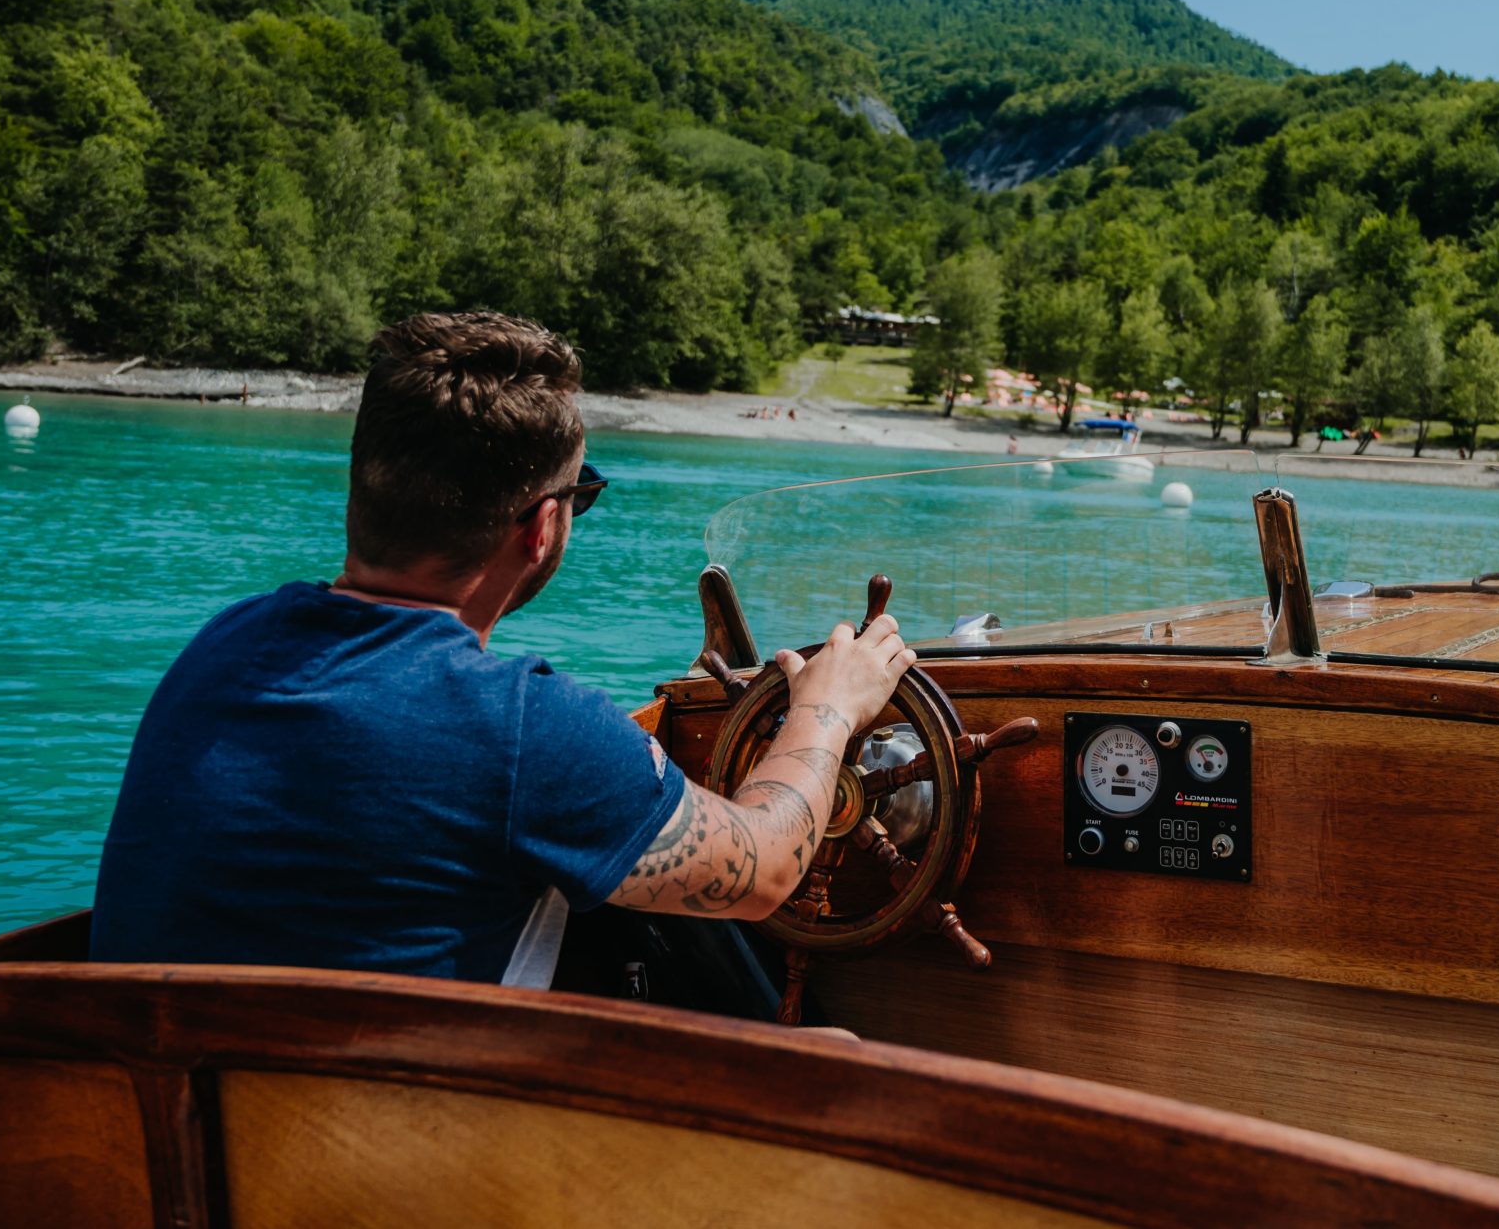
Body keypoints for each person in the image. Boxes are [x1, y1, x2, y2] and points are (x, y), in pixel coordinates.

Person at [92, 310, 915, 982]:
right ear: (542, 525)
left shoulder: (219, 649)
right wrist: (828, 708)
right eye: (578, 497)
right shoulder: (527, 730)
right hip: (383, 1172)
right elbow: (766, 869)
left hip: (171, 1145)